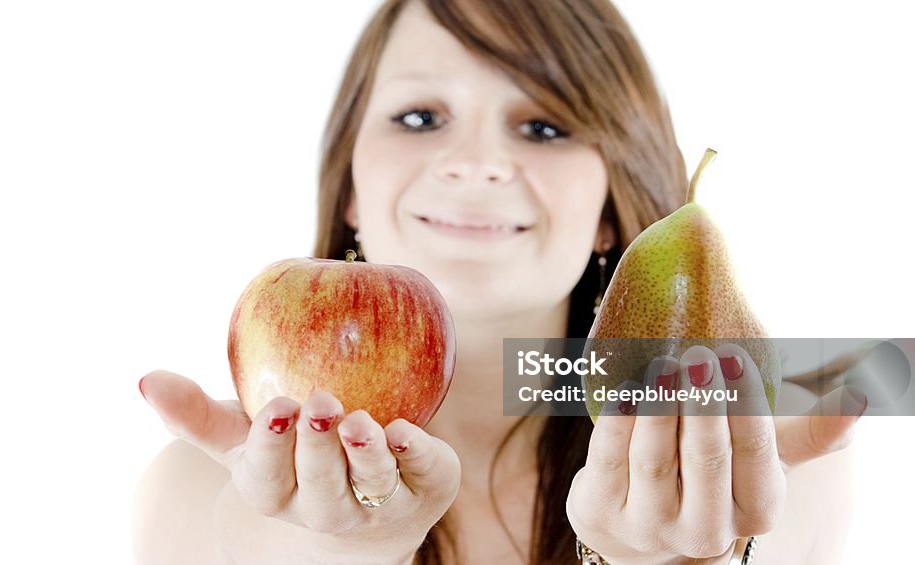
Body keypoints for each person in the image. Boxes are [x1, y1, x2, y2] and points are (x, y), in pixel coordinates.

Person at [133, 1, 863, 563]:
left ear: (610, 210)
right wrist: (332, 549)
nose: (476, 162)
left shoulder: (757, 436)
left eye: (543, 127)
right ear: (351, 185)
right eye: (420, 116)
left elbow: (873, 374)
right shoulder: (195, 488)